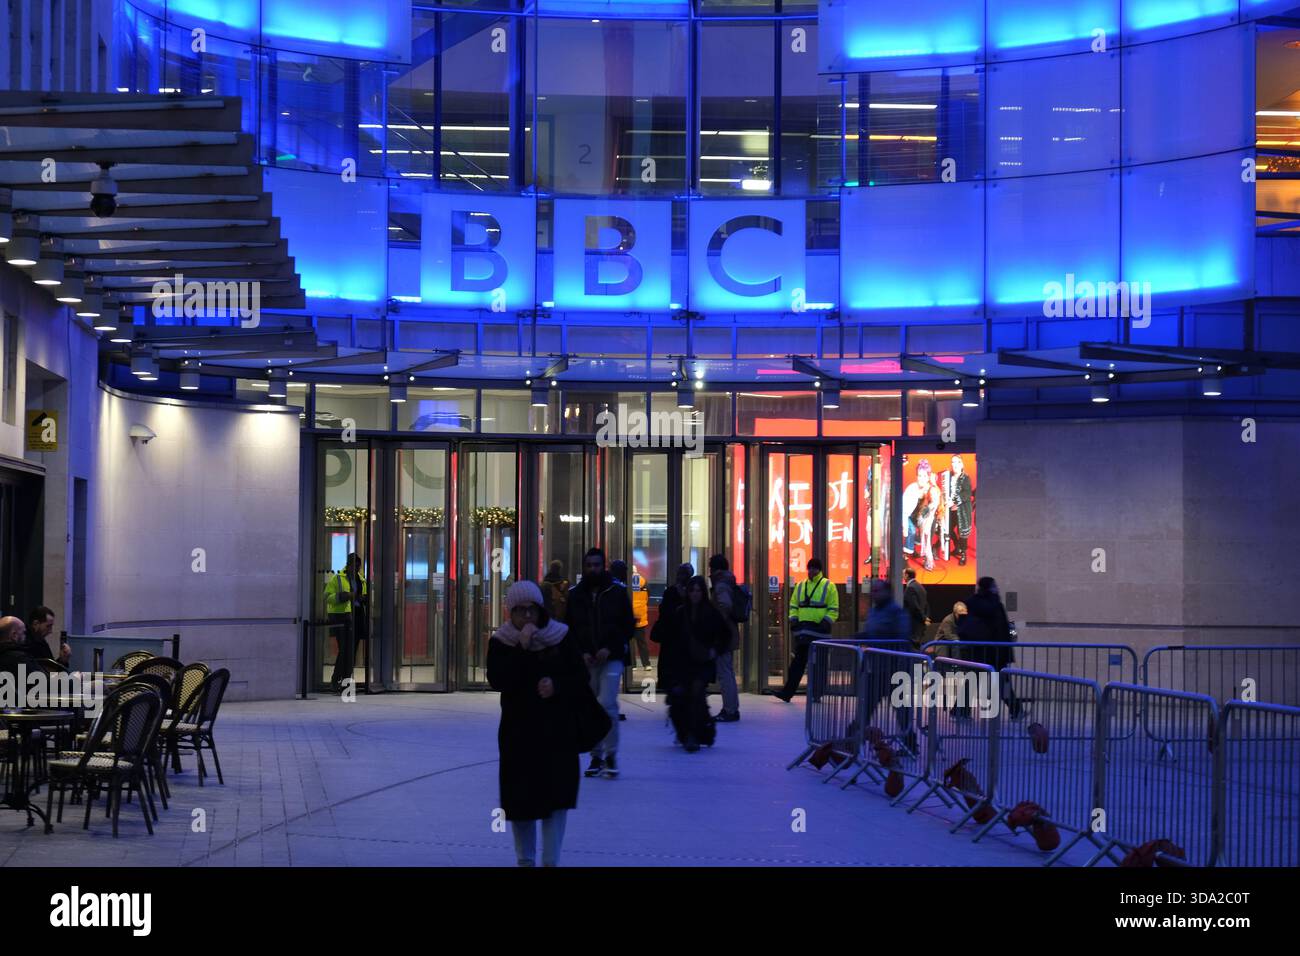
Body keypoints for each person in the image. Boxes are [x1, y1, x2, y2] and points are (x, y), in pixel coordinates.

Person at [487, 580, 589, 867]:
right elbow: (499, 679)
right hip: (519, 733)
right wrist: (522, 648)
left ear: (540, 609)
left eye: (531, 609)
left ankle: (551, 860)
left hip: (557, 732)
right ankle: (525, 860)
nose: (526, 616)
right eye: (519, 611)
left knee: (556, 800)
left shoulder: (561, 636)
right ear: (510, 613)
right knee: (522, 802)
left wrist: (556, 685)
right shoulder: (502, 641)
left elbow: (579, 678)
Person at [565, 547, 634, 779]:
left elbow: (627, 626)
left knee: (607, 704)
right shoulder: (575, 595)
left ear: (603, 566)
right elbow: (570, 628)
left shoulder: (617, 592)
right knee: (592, 707)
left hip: (611, 658)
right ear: (584, 567)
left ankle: (611, 754)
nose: (593, 569)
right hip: (587, 661)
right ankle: (596, 756)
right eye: (589, 565)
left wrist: (609, 648)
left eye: (597, 565)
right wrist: (582, 653)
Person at [672, 576, 730, 752]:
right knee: (688, 696)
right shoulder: (682, 612)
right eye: (692, 590)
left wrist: (715, 650)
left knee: (696, 693)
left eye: (698, 590)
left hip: (703, 662)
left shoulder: (711, 612)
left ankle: (693, 735)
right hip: (685, 662)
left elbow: (725, 635)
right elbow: (673, 639)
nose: (695, 594)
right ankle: (698, 730)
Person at [772, 557, 838, 703]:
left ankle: (816, 694)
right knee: (797, 665)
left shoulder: (829, 586)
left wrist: (824, 623)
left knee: (818, 665)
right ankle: (787, 693)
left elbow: (833, 609)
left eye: (814, 568)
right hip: (804, 631)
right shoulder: (801, 585)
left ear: (819, 570)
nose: (811, 571)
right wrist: (794, 620)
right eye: (810, 568)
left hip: (819, 632)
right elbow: (793, 605)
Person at [958, 576, 1020, 718]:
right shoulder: (996, 605)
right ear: (991, 588)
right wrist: (1007, 650)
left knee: (972, 680)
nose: (997, 588)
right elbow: (1002, 630)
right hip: (996, 651)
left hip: (978, 650)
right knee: (1002, 682)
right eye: (995, 585)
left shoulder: (971, 603)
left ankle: (960, 711)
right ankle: (1016, 710)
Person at [707, 554, 742, 723]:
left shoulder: (721, 584)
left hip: (723, 634)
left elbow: (724, 605)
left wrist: (716, 621)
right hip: (728, 632)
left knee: (724, 673)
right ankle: (731, 707)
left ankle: (729, 709)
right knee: (727, 671)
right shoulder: (728, 582)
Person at [326, 553, 366, 693]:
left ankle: (345, 682)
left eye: (357, 565)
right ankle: (335, 680)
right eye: (353, 565)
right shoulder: (337, 579)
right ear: (347, 564)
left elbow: (363, 596)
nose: (355, 568)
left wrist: (362, 598)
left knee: (352, 652)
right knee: (344, 651)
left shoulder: (361, 579)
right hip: (341, 617)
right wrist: (345, 596)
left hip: (357, 616)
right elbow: (327, 597)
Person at [652, 562, 693, 698]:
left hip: (675, 637)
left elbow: (664, 611)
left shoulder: (676, 592)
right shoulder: (689, 592)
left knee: (672, 665)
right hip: (677, 636)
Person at [611, 560, 651, 670]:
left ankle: (633, 665)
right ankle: (646, 663)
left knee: (630, 642)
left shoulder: (625, 583)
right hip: (641, 614)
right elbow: (648, 597)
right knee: (642, 642)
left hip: (629, 615)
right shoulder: (644, 581)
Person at [945, 454, 974, 566]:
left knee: (962, 533)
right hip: (950, 510)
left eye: (957, 462)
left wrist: (954, 501)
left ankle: (963, 554)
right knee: (947, 528)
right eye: (953, 462)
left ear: (961, 464)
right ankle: (957, 546)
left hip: (962, 510)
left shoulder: (965, 478)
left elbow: (967, 493)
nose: (955, 464)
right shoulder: (948, 477)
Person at [902, 568, 930, 650]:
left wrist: (923, 618)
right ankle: (918, 663)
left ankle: (915, 663)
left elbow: (914, 607)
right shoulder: (920, 587)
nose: (902, 576)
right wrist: (925, 618)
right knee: (917, 649)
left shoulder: (910, 588)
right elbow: (926, 605)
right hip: (919, 626)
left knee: (913, 651)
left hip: (913, 626)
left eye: (903, 574)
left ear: (907, 575)